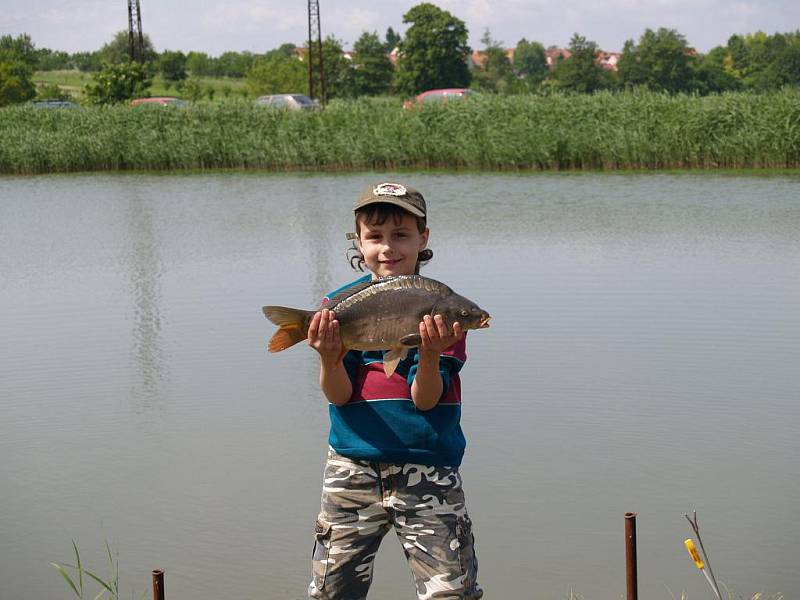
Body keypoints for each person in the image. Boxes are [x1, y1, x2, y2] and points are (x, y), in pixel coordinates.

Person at [305, 182, 483, 600]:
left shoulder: (444, 310)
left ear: (423, 239)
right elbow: (338, 395)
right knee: (332, 592)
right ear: (359, 242)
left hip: (429, 472)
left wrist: (431, 353)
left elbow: (425, 400)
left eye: (401, 235)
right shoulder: (339, 305)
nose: (388, 247)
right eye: (375, 236)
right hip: (352, 468)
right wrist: (329, 358)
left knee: (450, 594)